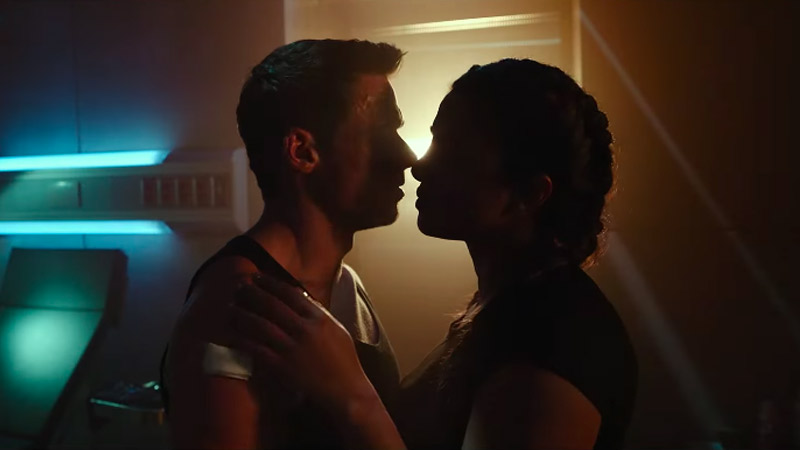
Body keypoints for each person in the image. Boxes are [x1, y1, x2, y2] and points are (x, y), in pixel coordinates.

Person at [232, 58, 639, 449]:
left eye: (455, 151)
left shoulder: (552, 339)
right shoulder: (503, 308)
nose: (420, 167)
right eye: (434, 140)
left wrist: (352, 395)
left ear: (529, 193)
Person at [161, 39, 415, 449]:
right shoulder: (238, 310)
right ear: (302, 151)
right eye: (382, 131)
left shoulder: (348, 287)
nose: (407, 156)